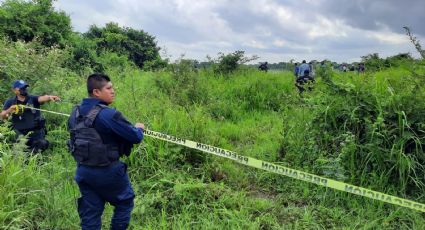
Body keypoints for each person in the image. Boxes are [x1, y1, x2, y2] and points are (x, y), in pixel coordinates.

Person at [67, 73, 144, 230]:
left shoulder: (74, 113)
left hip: (83, 171)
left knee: (90, 213)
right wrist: (139, 128)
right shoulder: (108, 114)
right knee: (125, 202)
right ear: (96, 92)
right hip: (108, 171)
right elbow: (135, 136)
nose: (113, 91)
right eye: (109, 88)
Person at [0, 80, 60, 152]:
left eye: (25, 88)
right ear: (14, 90)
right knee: (18, 149)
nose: (24, 90)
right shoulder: (10, 102)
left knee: (42, 144)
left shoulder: (33, 99)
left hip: (35, 133)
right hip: (19, 133)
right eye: (21, 88)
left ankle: (34, 156)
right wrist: (9, 110)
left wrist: (50, 97)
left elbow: (42, 98)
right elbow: (2, 116)